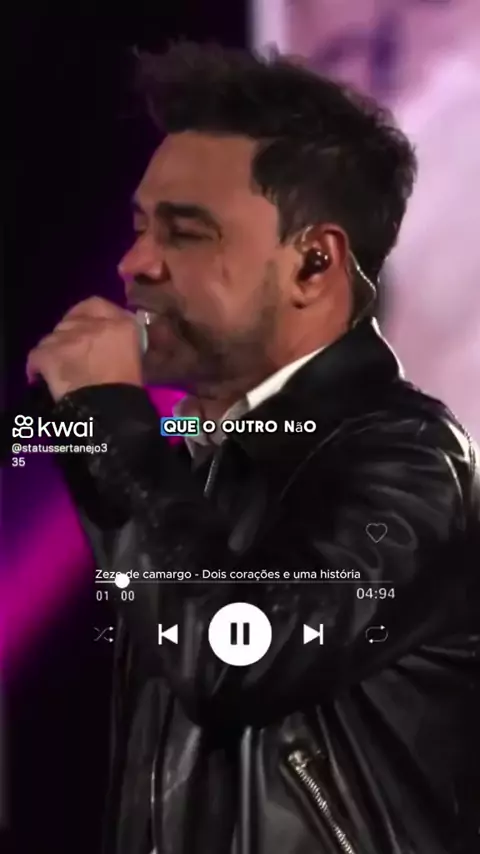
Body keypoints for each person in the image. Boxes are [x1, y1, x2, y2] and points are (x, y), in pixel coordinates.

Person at [26, 42, 479, 854]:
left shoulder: (408, 460)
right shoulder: (192, 464)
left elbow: (231, 653)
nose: (134, 264)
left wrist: (109, 417)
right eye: (139, 227)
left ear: (313, 264)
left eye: (185, 233)